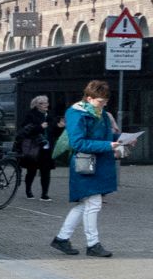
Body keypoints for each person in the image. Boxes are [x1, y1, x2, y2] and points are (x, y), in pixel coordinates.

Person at [51, 80, 127, 257]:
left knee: (85, 204)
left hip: (92, 163)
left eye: (106, 101)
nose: (105, 104)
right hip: (86, 163)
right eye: (101, 101)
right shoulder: (76, 113)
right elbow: (78, 142)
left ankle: (62, 239)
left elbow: (105, 136)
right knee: (93, 204)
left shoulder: (97, 111)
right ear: (89, 98)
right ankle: (92, 244)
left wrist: (122, 138)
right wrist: (110, 145)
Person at [16, 94, 53, 199]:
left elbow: (52, 130)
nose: (45, 105)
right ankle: (28, 190)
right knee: (31, 170)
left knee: (46, 171)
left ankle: (44, 194)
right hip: (34, 147)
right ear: (36, 105)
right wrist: (39, 127)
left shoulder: (49, 115)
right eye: (42, 103)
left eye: (46, 102)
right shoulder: (30, 115)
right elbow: (26, 129)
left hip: (46, 147)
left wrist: (59, 126)